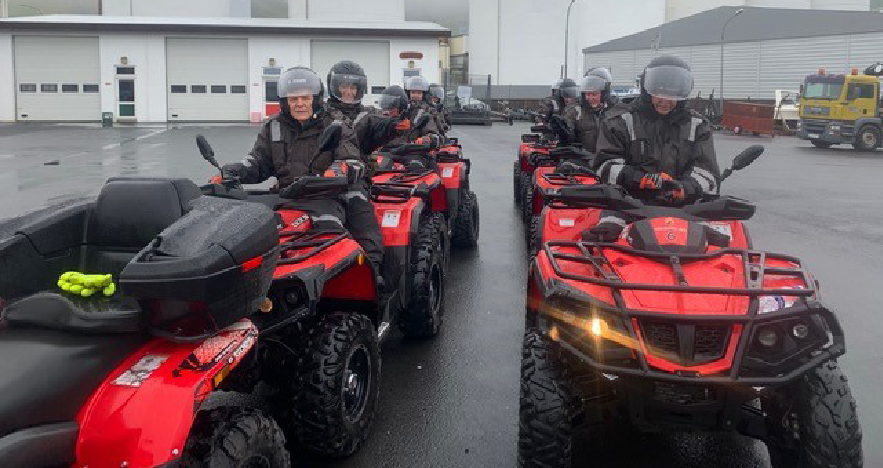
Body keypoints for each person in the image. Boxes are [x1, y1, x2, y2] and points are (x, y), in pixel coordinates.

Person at [219, 66, 385, 282]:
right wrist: (235, 171)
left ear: (316, 99)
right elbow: (258, 162)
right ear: (285, 101)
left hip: (332, 191)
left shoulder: (336, 123)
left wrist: (340, 170)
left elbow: (350, 157)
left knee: (361, 215)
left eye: (305, 98)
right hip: (288, 194)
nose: (299, 104)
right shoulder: (274, 126)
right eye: (293, 98)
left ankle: (371, 274)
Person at [587, 55, 720, 242]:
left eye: (672, 97)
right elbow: (605, 166)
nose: (665, 102)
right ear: (646, 89)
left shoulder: (698, 126)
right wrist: (642, 180)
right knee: (602, 242)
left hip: (685, 210)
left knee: (719, 246)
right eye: (660, 95)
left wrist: (683, 188)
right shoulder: (620, 121)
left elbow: (707, 173)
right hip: (627, 206)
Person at [324, 60, 406, 168]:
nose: (349, 92)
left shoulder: (367, 113)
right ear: (334, 87)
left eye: (353, 88)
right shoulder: (323, 113)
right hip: (326, 172)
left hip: (360, 171)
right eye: (344, 87)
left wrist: (395, 125)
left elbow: (380, 123)